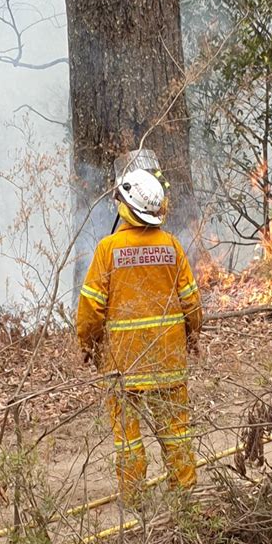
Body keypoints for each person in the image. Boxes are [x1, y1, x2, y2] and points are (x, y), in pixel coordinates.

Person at [76, 168, 202, 506]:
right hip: (168, 357)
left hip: (123, 362)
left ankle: (132, 499)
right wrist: (193, 335)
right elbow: (191, 300)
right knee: (176, 431)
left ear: (125, 206)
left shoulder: (108, 249)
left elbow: (91, 305)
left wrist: (86, 343)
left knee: (128, 436)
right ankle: (185, 494)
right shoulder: (172, 246)